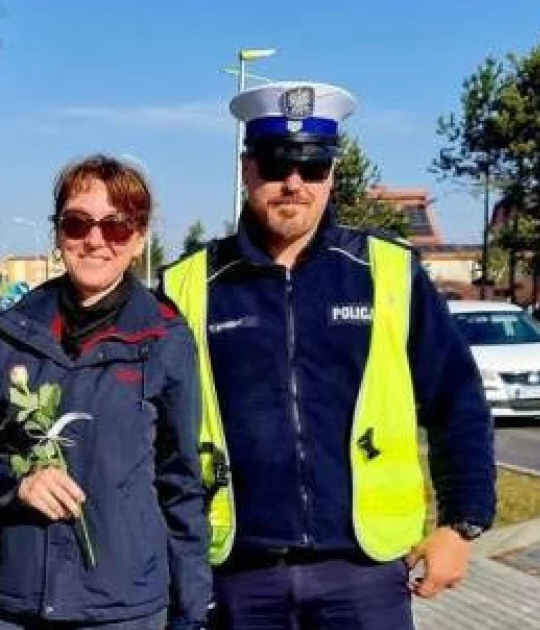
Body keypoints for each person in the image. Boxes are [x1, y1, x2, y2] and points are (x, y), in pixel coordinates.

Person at [161, 82, 496, 630]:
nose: (293, 183)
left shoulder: (389, 272)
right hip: (237, 575)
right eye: (275, 164)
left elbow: (457, 401)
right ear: (247, 169)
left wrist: (461, 526)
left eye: (313, 167)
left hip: (365, 575)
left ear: (331, 175)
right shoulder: (188, 284)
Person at [0, 155, 211, 630]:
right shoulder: (9, 333)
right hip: (20, 602)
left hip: (125, 609)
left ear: (140, 237)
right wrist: (16, 482)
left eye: (116, 227)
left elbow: (181, 483)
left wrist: (191, 611)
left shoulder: (165, 339)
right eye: (77, 223)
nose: (95, 240)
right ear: (57, 233)